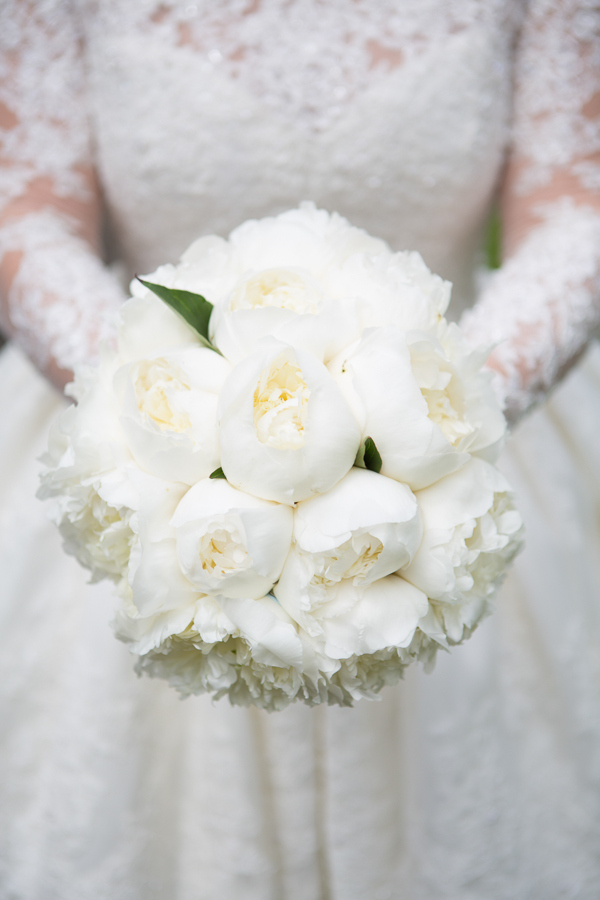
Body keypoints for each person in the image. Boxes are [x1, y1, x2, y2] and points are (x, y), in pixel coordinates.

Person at [1, 1, 599, 897]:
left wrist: (428, 433)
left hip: (470, 436)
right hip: (142, 441)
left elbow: (574, 219)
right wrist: (173, 436)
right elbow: (31, 217)